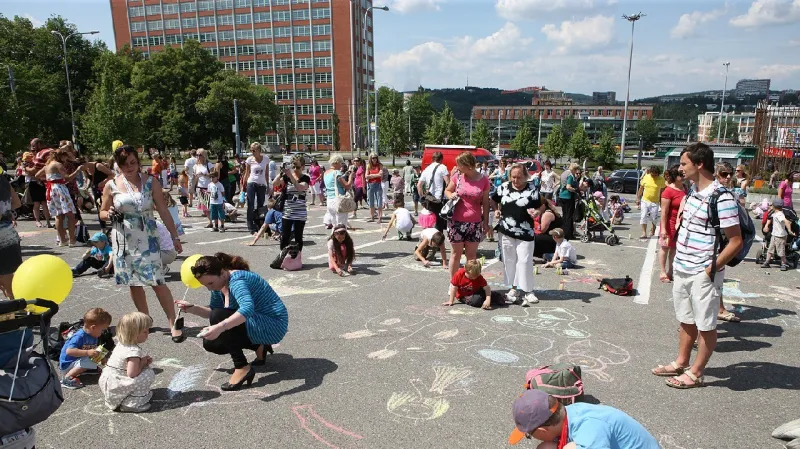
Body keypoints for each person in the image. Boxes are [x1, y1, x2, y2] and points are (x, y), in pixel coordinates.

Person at [651, 143, 742, 389]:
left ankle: (696, 372)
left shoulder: (721, 197)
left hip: (704, 271)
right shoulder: (691, 191)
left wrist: (710, 270)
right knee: (686, 319)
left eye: (683, 164)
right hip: (682, 266)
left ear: (699, 164)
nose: (680, 169)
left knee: (706, 324)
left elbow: (735, 241)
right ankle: (681, 361)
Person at [99, 145, 185, 342]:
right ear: (117, 165)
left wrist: (175, 237)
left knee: (158, 282)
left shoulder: (150, 182)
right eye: (123, 164)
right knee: (134, 284)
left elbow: (163, 211)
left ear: (138, 162)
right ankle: (145, 321)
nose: (128, 167)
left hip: (148, 238)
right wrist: (109, 214)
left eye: (132, 162)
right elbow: (102, 213)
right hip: (124, 239)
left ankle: (173, 323)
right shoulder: (111, 184)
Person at [177, 253, 289, 390]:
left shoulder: (237, 280)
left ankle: (242, 367)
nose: (209, 288)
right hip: (256, 321)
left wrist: (220, 327)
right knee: (211, 343)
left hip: (273, 324)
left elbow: (247, 309)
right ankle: (259, 345)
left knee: (219, 321)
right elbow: (212, 312)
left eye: (210, 283)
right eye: (205, 285)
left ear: (223, 272)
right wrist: (192, 308)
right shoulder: (219, 284)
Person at [508, 389, 660, 448]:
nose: (532, 437)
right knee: (546, 448)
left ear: (543, 430)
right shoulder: (570, 413)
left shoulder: (590, 428)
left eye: (530, 434)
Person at [492, 163, 546, 306]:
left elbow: (543, 203)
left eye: (519, 177)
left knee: (525, 261)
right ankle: (513, 289)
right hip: (506, 230)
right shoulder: (503, 187)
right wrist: (496, 210)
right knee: (509, 260)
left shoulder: (532, 188)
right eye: (513, 177)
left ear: (525, 177)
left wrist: (538, 212)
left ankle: (528, 291)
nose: (515, 180)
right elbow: (493, 199)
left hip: (525, 231)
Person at [445, 152, 490, 278]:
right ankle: (453, 283)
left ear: (469, 166)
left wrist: (485, 223)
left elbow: (486, 203)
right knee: (456, 254)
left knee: (471, 256)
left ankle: (470, 283)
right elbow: (447, 190)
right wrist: (451, 195)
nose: (457, 167)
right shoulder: (457, 177)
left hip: (474, 222)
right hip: (456, 221)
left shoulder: (484, 180)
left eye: (459, 165)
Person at [99, 312, 155, 413]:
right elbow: (132, 373)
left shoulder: (122, 344)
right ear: (134, 334)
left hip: (109, 383)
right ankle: (131, 404)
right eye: (145, 332)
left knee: (145, 372)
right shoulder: (133, 352)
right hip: (116, 386)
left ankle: (118, 399)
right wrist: (143, 362)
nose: (148, 334)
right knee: (148, 374)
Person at [36, 149, 82, 246]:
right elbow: (67, 178)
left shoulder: (47, 166)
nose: (66, 160)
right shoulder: (58, 164)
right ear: (61, 156)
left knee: (58, 215)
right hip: (60, 189)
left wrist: (49, 179)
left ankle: (62, 240)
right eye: (65, 157)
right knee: (70, 215)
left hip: (51, 189)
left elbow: (37, 175)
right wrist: (77, 171)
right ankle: (72, 240)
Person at [59, 308, 113, 389]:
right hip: (67, 364)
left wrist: (103, 359)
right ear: (93, 327)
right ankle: (67, 378)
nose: (103, 332)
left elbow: (94, 349)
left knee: (97, 353)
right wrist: (87, 353)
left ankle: (86, 369)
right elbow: (69, 351)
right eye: (102, 330)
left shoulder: (93, 334)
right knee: (90, 359)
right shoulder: (79, 336)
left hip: (77, 360)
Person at [273, 155, 310, 252]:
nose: (295, 169)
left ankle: (297, 258)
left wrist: (291, 177)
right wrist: (281, 172)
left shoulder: (305, 178)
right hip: (288, 210)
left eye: (297, 167)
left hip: (300, 211)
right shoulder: (287, 177)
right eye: (293, 167)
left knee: (298, 237)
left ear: (303, 167)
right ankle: (283, 256)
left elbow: (300, 188)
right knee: (285, 236)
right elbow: (275, 183)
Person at [659, 165, 686, 283]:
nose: (683, 176)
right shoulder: (668, 191)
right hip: (669, 223)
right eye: (680, 174)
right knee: (665, 247)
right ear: (675, 176)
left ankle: (671, 270)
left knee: (674, 248)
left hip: (680, 224)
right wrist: (663, 229)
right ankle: (662, 271)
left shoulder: (685, 188)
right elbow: (664, 212)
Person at [0, 171, 22, 299]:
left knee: (6, 281)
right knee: (11, 280)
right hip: (9, 235)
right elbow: (17, 203)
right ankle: (16, 311)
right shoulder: (4, 182)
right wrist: (6, 212)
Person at [24, 138, 53, 228]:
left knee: (44, 203)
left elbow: (34, 171)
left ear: (39, 145)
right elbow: (29, 173)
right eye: (31, 150)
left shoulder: (41, 156)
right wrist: (26, 169)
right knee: (36, 203)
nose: (33, 151)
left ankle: (48, 221)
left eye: (34, 148)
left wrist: (27, 169)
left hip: (43, 183)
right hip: (34, 183)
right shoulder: (29, 161)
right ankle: (38, 221)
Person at [417, 151, 449, 232]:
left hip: (429, 199)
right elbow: (448, 183)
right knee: (439, 224)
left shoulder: (427, 169)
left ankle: (429, 241)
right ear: (441, 159)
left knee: (430, 223)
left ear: (432, 159)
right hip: (439, 200)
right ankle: (437, 242)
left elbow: (419, 185)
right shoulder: (443, 167)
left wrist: (422, 199)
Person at [762, 199, 796, 271]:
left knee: (781, 251)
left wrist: (789, 231)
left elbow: (787, 222)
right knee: (770, 249)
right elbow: (770, 218)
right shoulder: (775, 213)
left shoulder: (780, 214)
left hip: (780, 235)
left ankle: (783, 264)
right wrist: (766, 226)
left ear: (774, 206)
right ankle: (767, 261)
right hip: (774, 234)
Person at [323, 155, 355, 228]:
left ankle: (333, 238)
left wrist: (344, 175)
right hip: (338, 200)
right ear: (336, 162)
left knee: (335, 224)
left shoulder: (326, 173)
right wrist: (350, 177)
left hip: (329, 200)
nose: (341, 165)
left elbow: (333, 183)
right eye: (341, 163)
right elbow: (347, 185)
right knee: (341, 225)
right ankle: (340, 239)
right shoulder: (337, 172)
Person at [636, 166, 665, 240]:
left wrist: (662, 202)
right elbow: (641, 188)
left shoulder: (661, 179)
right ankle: (644, 233)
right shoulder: (646, 177)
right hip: (645, 200)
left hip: (655, 202)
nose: (654, 176)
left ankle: (653, 228)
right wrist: (638, 198)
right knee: (643, 216)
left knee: (653, 218)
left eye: (656, 174)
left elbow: (662, 192)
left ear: (658, 174)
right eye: (653, 174)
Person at [558, 163, 580, 240]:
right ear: (574, 169)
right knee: (569, 216)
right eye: (576, 169)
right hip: (568, 196)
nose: (577, 171)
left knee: (564, 215)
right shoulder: (570, 175)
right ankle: (568, 234)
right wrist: (575, 190)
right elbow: (568, 187)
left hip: (561, 195)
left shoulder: (564, 173)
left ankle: (563, 232)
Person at [193, 149, 214, 227]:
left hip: (209, 187)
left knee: (211, 206)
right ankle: (210, 222)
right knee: (205, 207)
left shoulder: (209, 164)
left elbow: (214, 175)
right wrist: (194, 187)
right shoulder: (196, 165)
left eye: (200, 155)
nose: (198, 157)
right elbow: (196, 177)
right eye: (197, 155)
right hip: (200, 187)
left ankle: (216, 221)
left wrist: (204, 174)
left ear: (204, 155)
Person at [365, 153, 384, 222]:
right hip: (370, 184)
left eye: (375, 157)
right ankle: (372, 217)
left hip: (378, 184)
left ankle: (380, 217)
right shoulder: (369, 166)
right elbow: (366, 176)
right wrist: (376, 175)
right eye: (373, 158)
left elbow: (381, 175)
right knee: (371, 201)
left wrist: (371, 175)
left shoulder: (380, 165)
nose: (374, 159)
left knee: (379, 201)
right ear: (370, 158)